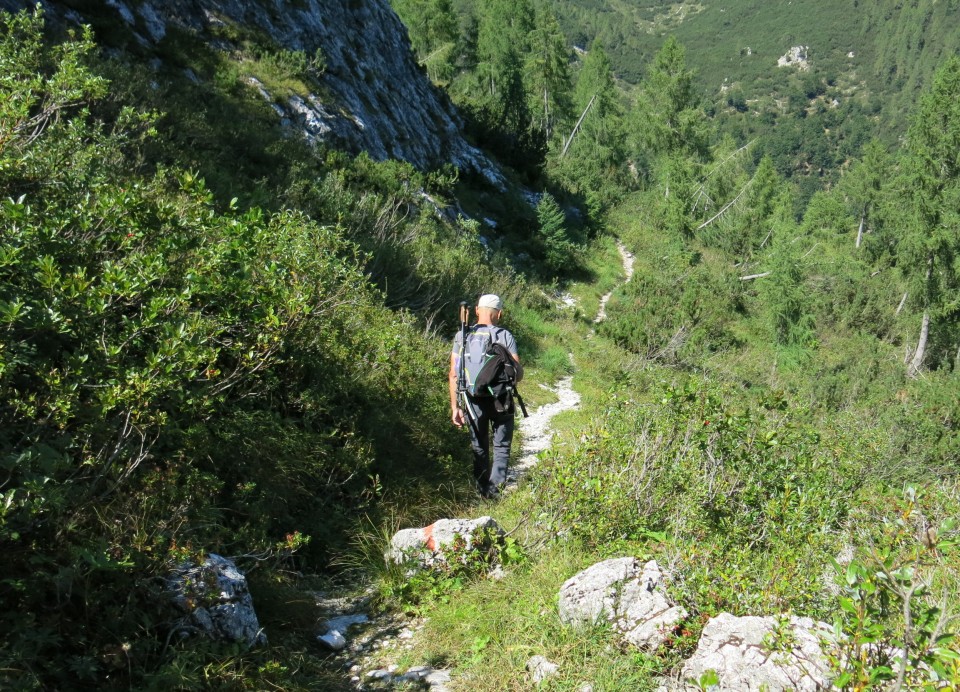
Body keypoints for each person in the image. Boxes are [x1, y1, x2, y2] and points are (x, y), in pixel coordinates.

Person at [449, 294, 522, 499]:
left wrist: (455, 407)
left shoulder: (462, 336)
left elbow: (453, 374)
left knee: (479, 446)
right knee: (501, 445)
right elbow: (517, 373)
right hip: (501, 399)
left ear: (476, 311)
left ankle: (483, 490)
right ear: (499, 313)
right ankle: (496, 491)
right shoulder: (504, 336)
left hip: (472, 400)